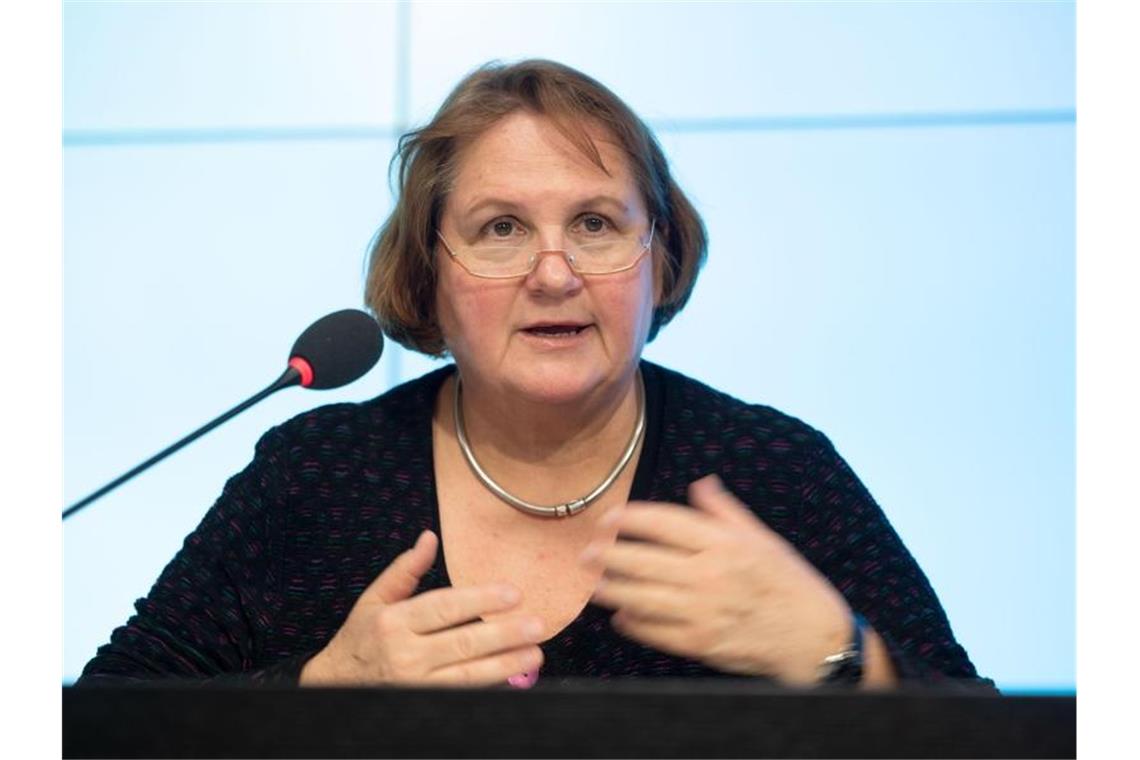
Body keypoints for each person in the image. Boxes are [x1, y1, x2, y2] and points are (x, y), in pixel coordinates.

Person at [78, 59, 992, 691]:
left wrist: (840, 658)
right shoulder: (316, 476)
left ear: (660, 258)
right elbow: (101, 724)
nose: (554, 273)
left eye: (595, 223)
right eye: (501, 229)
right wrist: (321, 686)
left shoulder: (772, 471)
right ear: (427, 273)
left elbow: (990, 742)